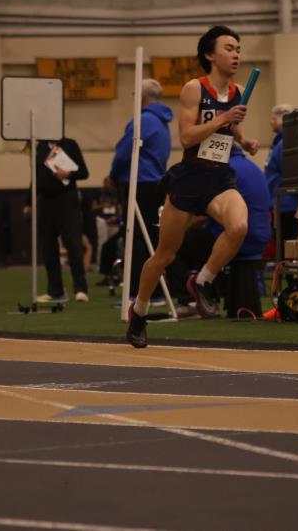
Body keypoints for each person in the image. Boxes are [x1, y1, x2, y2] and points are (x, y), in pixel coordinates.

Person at [126, 25, 259, 348]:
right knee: (164, 254)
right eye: (229, 48)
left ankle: (202, 281)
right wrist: (222, 118)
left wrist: (244, 140)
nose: (236, 55)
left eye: (238, 49)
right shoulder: (194, 89)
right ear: (210, 55)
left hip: (220, 177)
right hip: (190, 177)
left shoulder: (240, 91)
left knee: (239, 226)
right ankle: (139, 312)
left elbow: (231, 127)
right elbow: (186, 137)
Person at [108, 78, 173, 302]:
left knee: (135, 239)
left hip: (140, 185)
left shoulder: (143, 120)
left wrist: (113, 176)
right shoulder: (162, 122)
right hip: (156, 185)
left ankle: (138, 293)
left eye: (135, 96)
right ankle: (154, 291)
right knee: (151, 239)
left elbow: (123, 153)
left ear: (143, 98)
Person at [208, 145, 271, 317]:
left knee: (186, 240)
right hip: (261, 236)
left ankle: (197, 299)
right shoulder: (253, 167)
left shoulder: (225, 170)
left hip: (242, 238)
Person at [33, 137, 89, 303]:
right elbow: (35, 176)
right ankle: (55, 291)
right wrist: (29, 202)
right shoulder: (40, 147)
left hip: (66, 202)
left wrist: (68, 174)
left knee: (73, 246)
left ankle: (80, 289)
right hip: (45, 203)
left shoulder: (70, 144)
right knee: (48, 249)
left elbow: (84, 172)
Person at [264, 104, 298, 242]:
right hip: (279, 203)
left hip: (286, 204)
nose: (271, 122)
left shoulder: (286, 143)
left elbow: (291, 173)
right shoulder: (279, 142)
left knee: (284, 245)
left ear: (283, 119)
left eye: (274, 118)